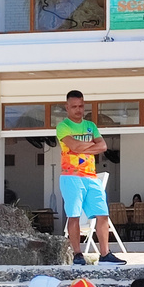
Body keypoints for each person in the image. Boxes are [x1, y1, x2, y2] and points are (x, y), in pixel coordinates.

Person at [57, 90, 125, 265]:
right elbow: (73, 145)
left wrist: (81, 148)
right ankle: (77, 254)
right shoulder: (63, 126)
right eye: (74, 107)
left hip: (91, 176)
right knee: (74, 216)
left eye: (81, 106)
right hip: (71, 176)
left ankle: (105, 254)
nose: (78, 110)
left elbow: (103, 146)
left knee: (103, 214)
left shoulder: (91, 125)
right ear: (67, 107)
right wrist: (88, 146)